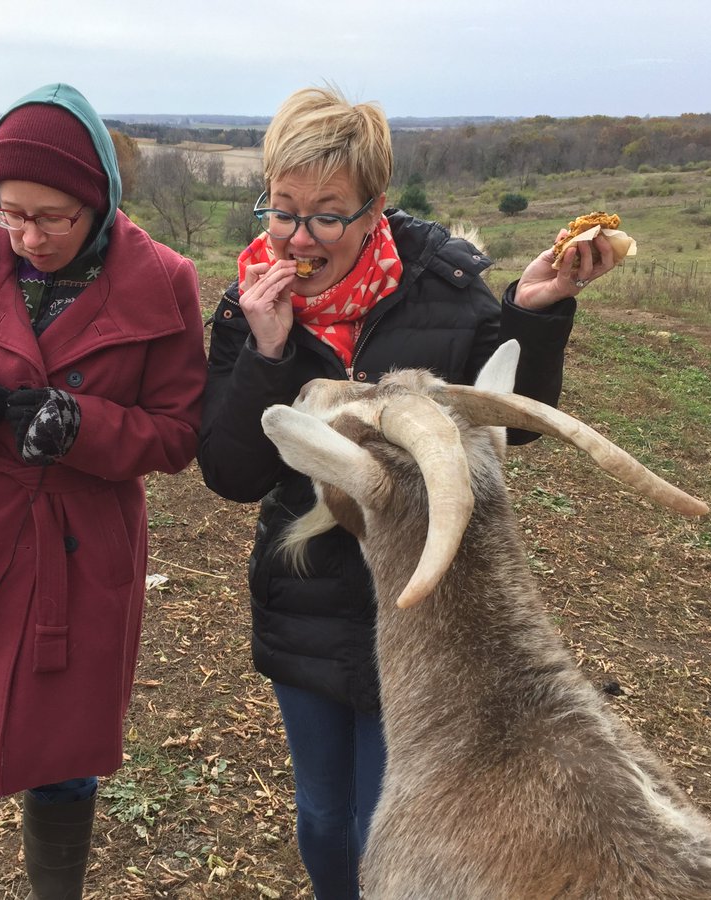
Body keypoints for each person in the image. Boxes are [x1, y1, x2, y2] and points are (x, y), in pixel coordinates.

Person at [197, 86, 618, 900]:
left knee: (388, 826)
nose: (297, 236)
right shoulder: (250, 308)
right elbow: (232, 473)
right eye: (281, 210)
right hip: (310, 597)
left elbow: (515, 425)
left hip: (432, 608)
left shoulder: (444, 290)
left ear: (373, 210)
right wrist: (269, 352)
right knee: (323, 821)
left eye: (326, 213)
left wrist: (532, 314)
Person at [0, 82, 206, 898]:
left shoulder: (163, 281)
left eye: (54, 216)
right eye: (10, 213)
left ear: (99, 198)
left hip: (79, 560)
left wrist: (80, 426)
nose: (29, 236)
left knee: (64, 768)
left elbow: (177, 430)